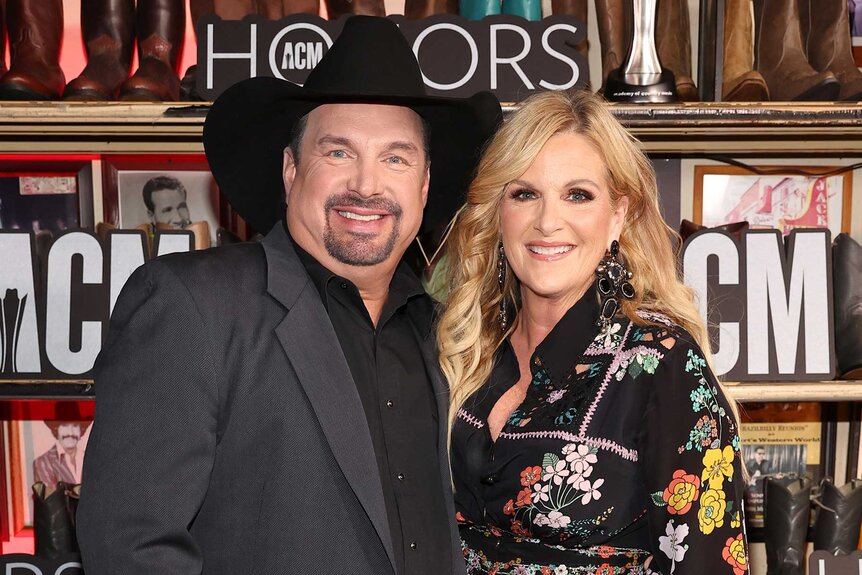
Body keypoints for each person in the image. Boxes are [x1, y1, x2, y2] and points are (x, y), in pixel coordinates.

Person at [76, 16, 502, 575]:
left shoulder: (444, 335)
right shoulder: (193, 304)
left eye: (395, 157)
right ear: (290, 168)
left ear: (423, 185)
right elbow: (131, 547)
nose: (368, 185)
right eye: (339, 152)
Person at [437, 90, 748, 575]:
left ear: (618, 216)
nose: (548, 221)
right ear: (498, 213)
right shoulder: (466, 348)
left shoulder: (662, 365)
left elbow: (710, 564)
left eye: (577, 195)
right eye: (525, 194)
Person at [33, 404, 92, 492]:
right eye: (65, 426)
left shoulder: (91, 458)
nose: (70, 433)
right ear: (56, 429)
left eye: (75, 426)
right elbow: (52, 500)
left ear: (81, 429)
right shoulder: (44, 462)